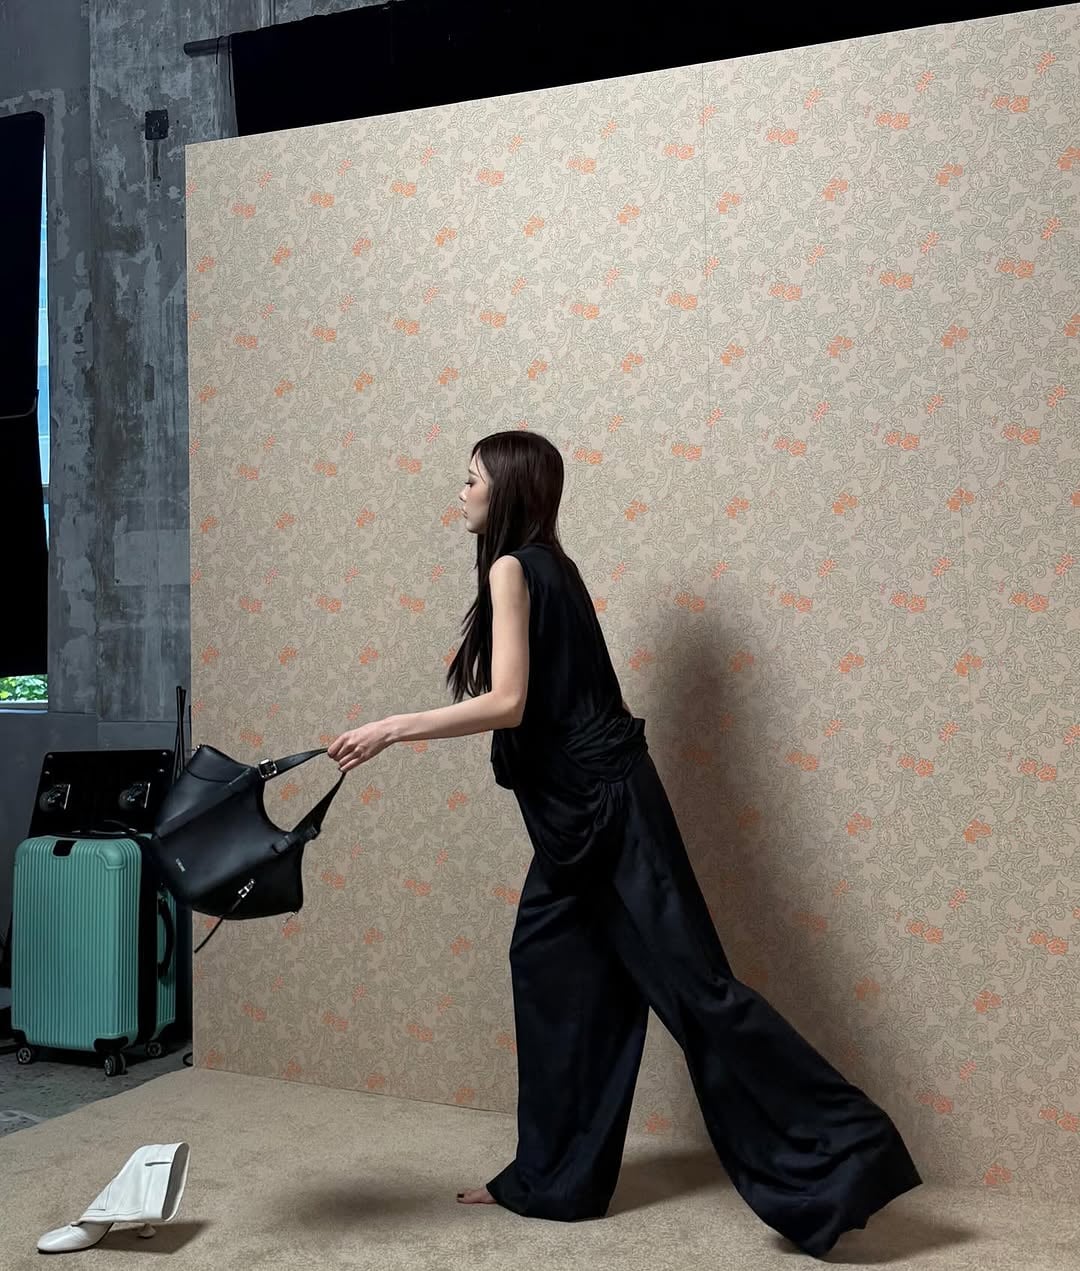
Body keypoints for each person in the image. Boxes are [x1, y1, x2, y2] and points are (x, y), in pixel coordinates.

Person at [326, 431, 921, 1258]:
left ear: (507, 491)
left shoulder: (517, 567)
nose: (459, 493)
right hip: (576, 819)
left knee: (698, 990)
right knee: (556, 971)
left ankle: (851, 1152)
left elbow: (509, 701)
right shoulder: (545, 566)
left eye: (470, 481)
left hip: (608, 814)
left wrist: (392, 727)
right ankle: (552, 1177)